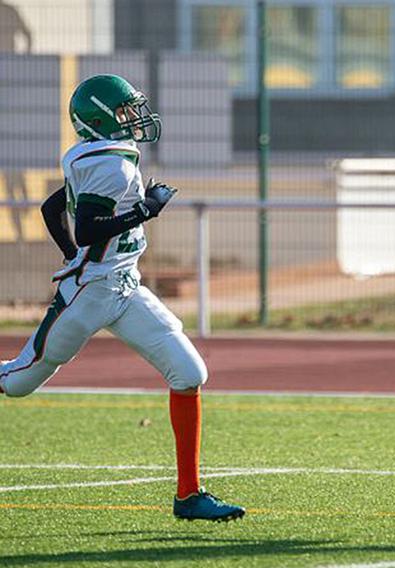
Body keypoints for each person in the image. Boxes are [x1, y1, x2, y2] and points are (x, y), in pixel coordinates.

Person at [0, 74, 245, 522]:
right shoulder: (109, 166)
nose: (135, 118)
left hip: (126, 287)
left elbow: (53, 208)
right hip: (91, 294)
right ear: (99, 119)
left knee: (189, 372)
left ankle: (188, 496)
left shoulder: (102, 158)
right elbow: (89, 226)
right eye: (125, 111)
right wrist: (144, 211)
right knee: (17, 381)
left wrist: (74, 254)